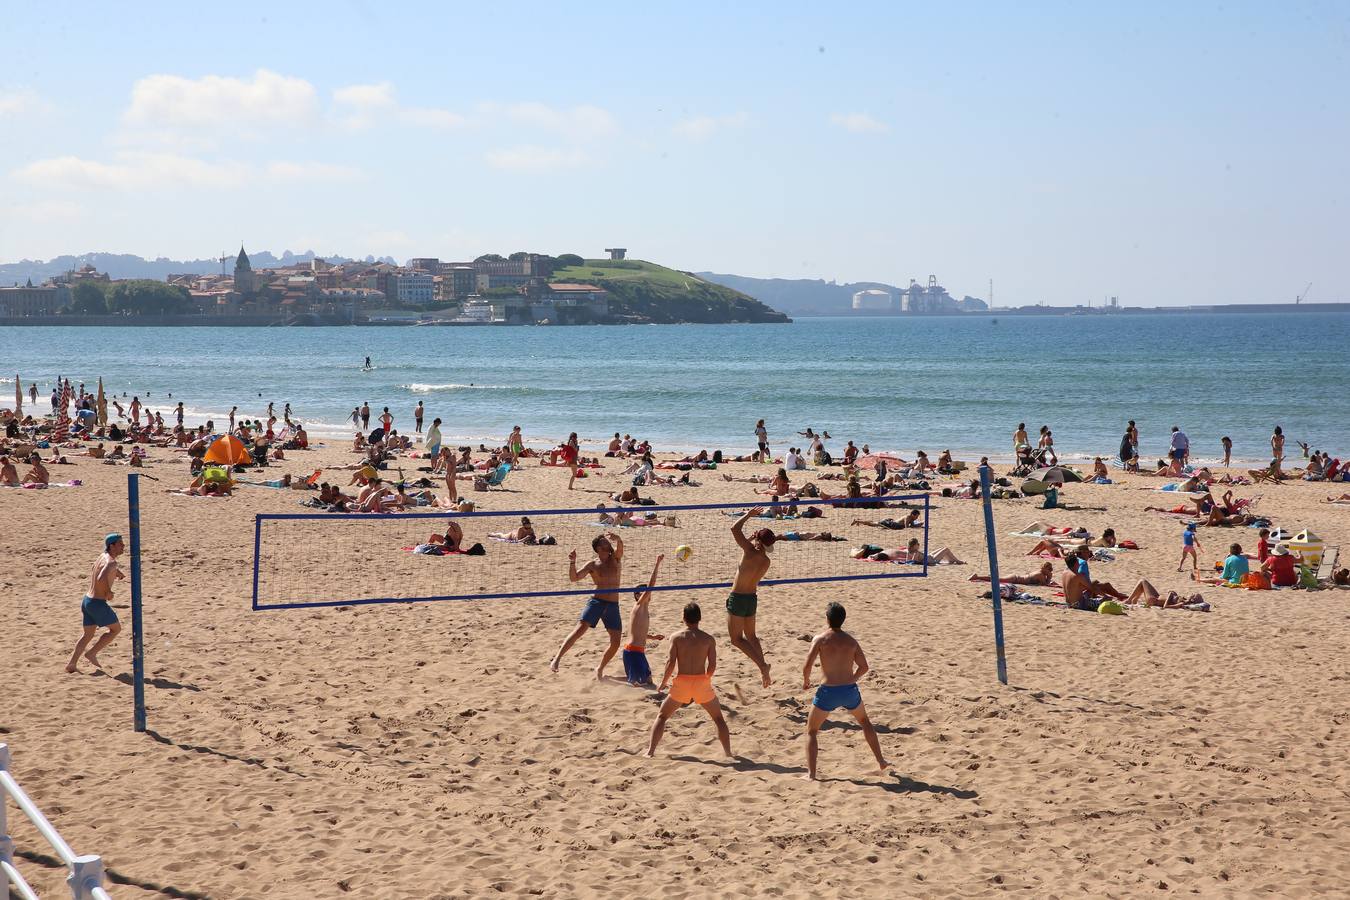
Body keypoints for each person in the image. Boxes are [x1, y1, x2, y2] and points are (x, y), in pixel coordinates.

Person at [801, 602, 889, 780]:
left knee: (811, 731)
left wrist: (806, 681)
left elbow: (807, 666)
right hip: (849, 690)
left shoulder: (820, 639)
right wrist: (852, 680)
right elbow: (864, 667)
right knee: (865, 722)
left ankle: (811, 774)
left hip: (828, 691)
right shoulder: (851, 641)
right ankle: (881, 761)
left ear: (827, 619)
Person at [645, 602, 732, 759]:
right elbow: (712, 665)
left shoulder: (676, 637)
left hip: (682, 682)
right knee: (718, 718)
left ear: (683, 618)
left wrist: (663, 683)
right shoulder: (708, 639)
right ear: (700, 618)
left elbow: (671, 663)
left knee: (662, 716)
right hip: (701, 682)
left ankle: (650, 752)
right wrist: (706, 679)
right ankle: (728, 753)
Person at [550, 533, 624, 678]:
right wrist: (572, 562)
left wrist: (618, 539)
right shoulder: (592, 564)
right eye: (605, 543)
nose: (609, 544)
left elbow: (620, 549)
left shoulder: (615, 558)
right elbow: (574, 578)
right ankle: (557, 659)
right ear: (598, 548)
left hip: (613, 604)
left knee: (615, 642)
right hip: (597, 602)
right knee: (579, 630)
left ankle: (600, 668)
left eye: (609, 542)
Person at [726, 507, 775, 687]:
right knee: (752, 637)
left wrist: (748, 515)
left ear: (757, 540)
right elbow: (750, 552)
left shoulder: (749, 551)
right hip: (751, 599)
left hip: (738, 598)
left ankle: (763, 666)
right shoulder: (766, 561)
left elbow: (734, 529)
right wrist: (754, 540)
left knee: (736, 639)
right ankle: (765, 672)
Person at [67, 534, 125, 673]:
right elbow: (101, 576)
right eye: (120, 544)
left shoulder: (102, 556)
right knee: (115, 630)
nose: (123, 546)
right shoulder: (111, 562)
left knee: (87, 635)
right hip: (98, 603)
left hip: (87, 601)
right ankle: (91, 653)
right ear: (112, 546)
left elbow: (96, 567)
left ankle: (72, 664)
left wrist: (117, 573)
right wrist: (108, 592)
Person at [623, 555, 664, 686]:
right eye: (643, 592)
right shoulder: (639, 605)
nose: (648, 593)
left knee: (648, 681)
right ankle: (608, 680)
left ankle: (609, 678)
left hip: (636, 651)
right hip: (633, 652)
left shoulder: (642, 609)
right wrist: (657, 564)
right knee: (642, 685)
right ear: (637, 595)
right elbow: (651, 586)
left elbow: (637, 632)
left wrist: (652, 637)